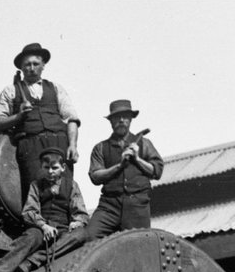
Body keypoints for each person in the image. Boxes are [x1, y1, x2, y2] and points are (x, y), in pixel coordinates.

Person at [0, 147, 88, 272]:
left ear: (63, 168)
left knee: (80, 235)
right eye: (46, 167)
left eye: (54, 168)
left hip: (63, 229)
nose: (50, 171)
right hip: (41, 229)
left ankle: (33, 261)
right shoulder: (36, 185)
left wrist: (77, 222)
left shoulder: (72, 185)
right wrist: (43, 226)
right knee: (30, 237)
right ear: (41, 167)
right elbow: (29, 211)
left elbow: (80, 211)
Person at [0, 42, 81, 204]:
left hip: (59, 144)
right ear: (21, 68)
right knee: (35, 194)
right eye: (27, 65)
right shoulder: (10, 91)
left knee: (65, 191)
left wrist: (73, 145)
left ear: (43, 65)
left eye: (36, 64)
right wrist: (18, 116)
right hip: (30, 147)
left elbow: (71, 119)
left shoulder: (56, 88)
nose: (31, 68)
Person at [66, 99, 163, 244]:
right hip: (109, 206)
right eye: (117, 117)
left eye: (125, 117)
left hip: (137, 205)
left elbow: (157, 171)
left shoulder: (144, 144)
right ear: (111, 121)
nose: (121, 120)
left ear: (131, 119)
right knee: (89, 238)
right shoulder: (100, 148)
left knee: (139, 246)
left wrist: (137, 159)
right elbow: (95, 176)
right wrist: (120, 166)